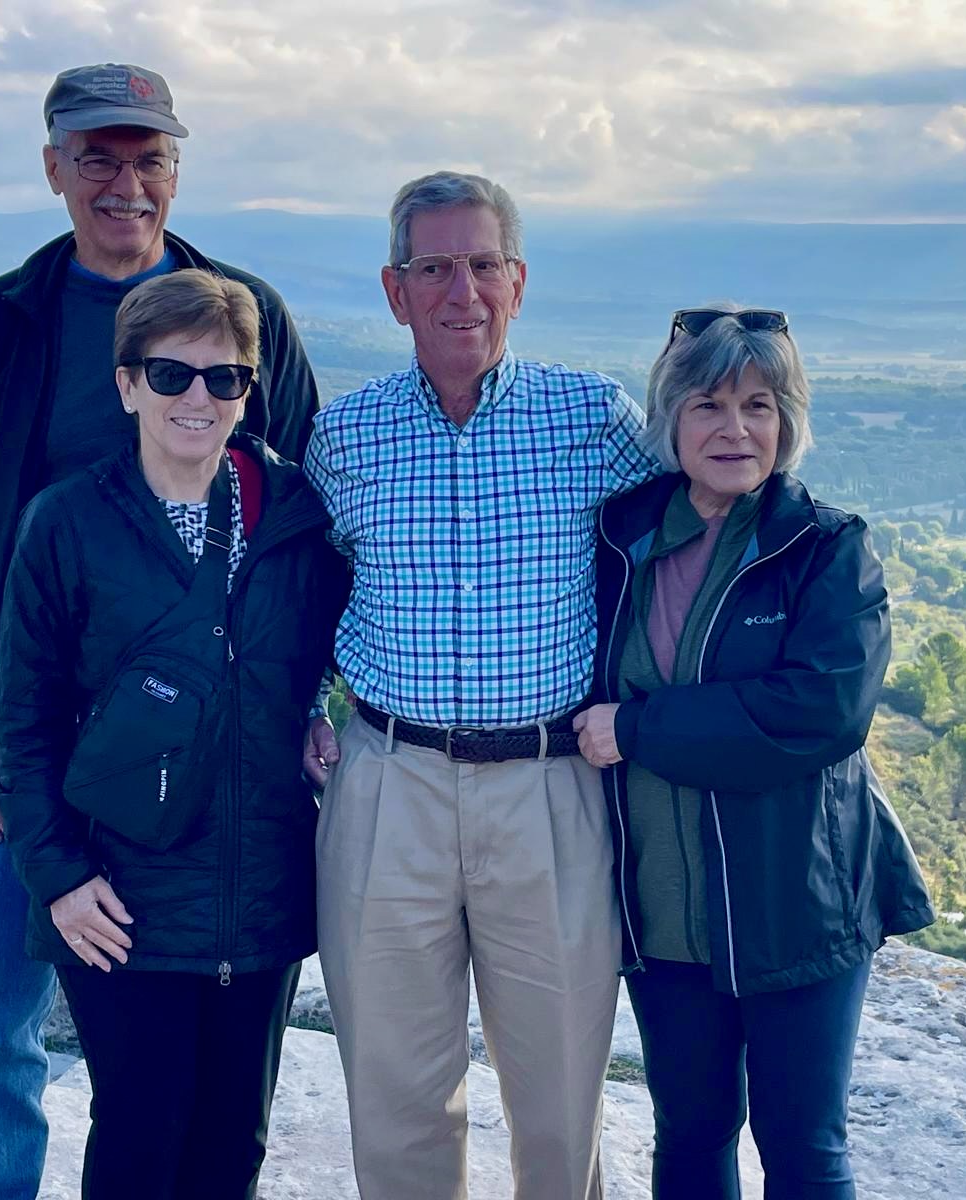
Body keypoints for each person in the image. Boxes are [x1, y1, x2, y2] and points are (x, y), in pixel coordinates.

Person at [0, 63, 316, 1200]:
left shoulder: (245, 317)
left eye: (150, 160)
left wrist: (310, 705)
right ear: (54, 168)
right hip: (25, 729)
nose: (126, 184)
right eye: (98, 158)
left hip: (201, 746)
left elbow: (303, 520)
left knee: (184, 1087)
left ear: (177, 171)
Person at [302, 170, 661, 1200]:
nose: (461, 291)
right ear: (395, 291)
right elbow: (301, 590)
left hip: (549, 785)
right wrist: (301, 707)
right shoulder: (346, 437)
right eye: (433, 269)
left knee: (560, 1097)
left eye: (482, 265)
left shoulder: (592, 418)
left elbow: (685, 545)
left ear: (518, 281)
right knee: (395, 1096)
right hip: (388, 781)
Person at [0, 269, 347, 1199]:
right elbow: (23, 720)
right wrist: (58, 878)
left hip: (259, 888)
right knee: (140, 1140)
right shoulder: (67, 523)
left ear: (249, 390)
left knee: (233, 1146)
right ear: (126, 385)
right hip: (120, 898)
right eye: (170, 375)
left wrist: (319, 711)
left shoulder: (297, 517)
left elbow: (329, 646)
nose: (199, 397)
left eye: (225, 378)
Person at [573, 305, 935, 1200]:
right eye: (708, 405)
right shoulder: (618, 538)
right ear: (671, 419)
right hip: (663, 914)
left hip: (794, 905)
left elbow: (820, 712)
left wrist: (637, 729)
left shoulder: (826, 548)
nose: (734, 428)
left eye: (758, 406)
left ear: (787, 422)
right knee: (691, 1137)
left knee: (802, 1149)